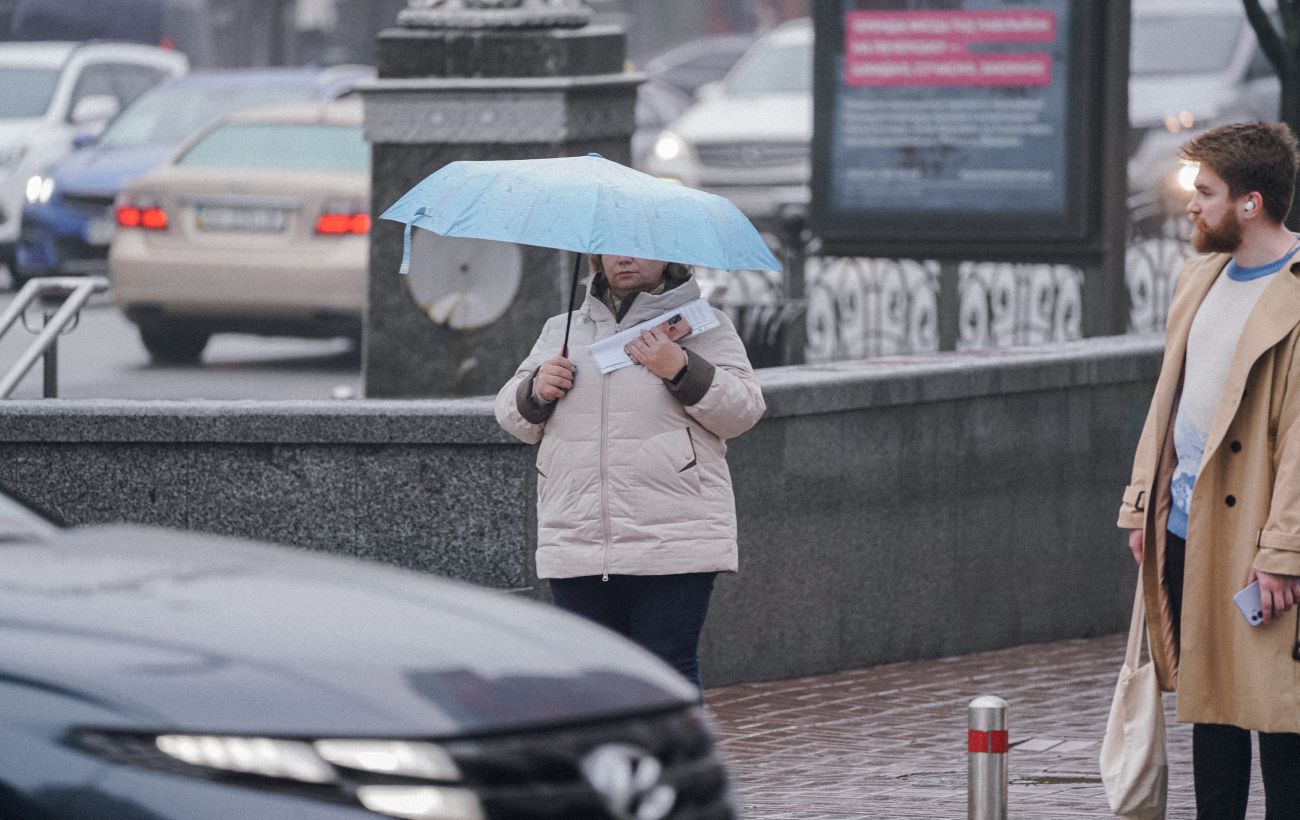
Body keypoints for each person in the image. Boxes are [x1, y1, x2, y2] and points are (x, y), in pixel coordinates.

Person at [1118, 121, 1300, 819]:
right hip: (1189, 533)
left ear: (1250, 203)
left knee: (1282, 719)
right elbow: (1167, 402)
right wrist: (1144, 509)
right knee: (1211, 711)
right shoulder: (1200, 277)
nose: (1192, 205)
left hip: (1261, 544)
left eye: (1207, 193)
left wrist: (1283, 553)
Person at [495, 253, 765, 690]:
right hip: (578, 534)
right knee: (588, 679)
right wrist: (537, 390)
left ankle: (674, 761)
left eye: (637, 246)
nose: (622, 257)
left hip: (674, 535)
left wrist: (680, 367)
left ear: (667, 255)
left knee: (665, 672)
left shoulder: (705, 325)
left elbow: (743, 412)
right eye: (611, 246)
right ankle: (602, 761)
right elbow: (514, 418)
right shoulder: (561, 329)